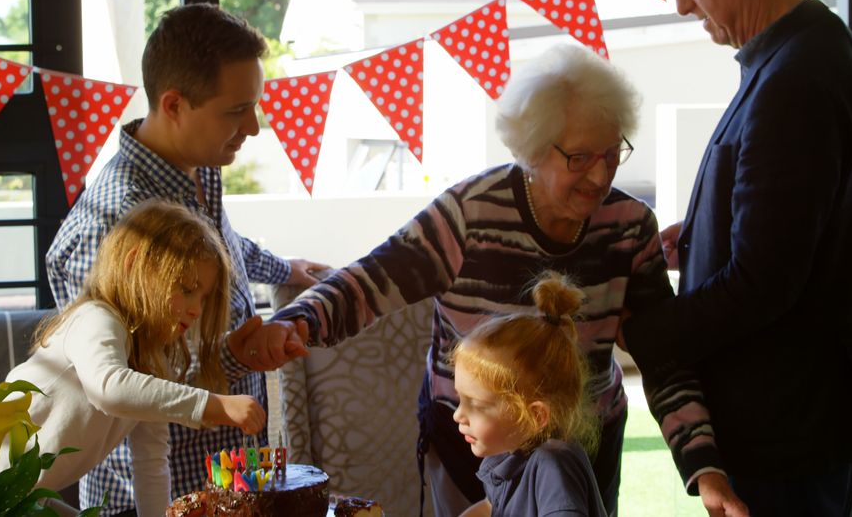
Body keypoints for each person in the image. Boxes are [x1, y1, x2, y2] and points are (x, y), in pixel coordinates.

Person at [270, 44, 675, 516]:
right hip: (472, 442)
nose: (601, 175)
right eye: (581, 158)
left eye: (612, 153)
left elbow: (664, 352)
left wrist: (703, 466)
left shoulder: (630, 225)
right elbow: (370, 280)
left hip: (585, 437)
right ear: (534, 149)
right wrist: (296, 322)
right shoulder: (469, 214)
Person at [621, 0, 852, 515]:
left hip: (789, 426)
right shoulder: (805, 48)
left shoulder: (797, 76)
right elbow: (794, 224)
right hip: (799, 418)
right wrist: (700, 236)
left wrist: (638, 332)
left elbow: (764, 281)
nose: (678, 4)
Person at [45, 3, 328, 514]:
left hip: (229, 468)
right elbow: (129, 388)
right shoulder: (109, 228)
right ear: (175, 104)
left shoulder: (198, 166)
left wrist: (284, 269)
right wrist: (237, 357)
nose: (256, 127)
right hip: (154, 492)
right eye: (236, 110)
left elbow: (225, 246)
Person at [0, 200, 267, 516]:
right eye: (186, 288)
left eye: (204, 298)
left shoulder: (153, 362)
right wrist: (214, 405)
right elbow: (109, 389)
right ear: (134, 264)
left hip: (13, 496)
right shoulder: (95, 318)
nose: (196, 308)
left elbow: (150, 461)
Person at [455, 272, 607, 517]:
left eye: (477, 405)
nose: (458, 415)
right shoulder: (511, 449)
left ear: (535, 415)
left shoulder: (553, 464)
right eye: (460, 399)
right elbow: (491, 507)